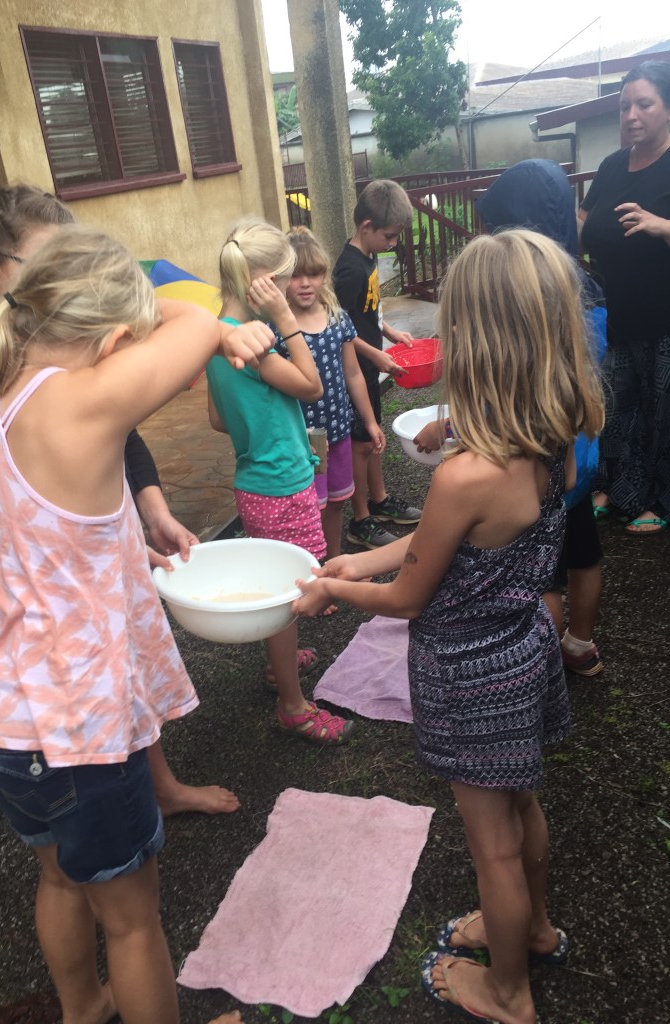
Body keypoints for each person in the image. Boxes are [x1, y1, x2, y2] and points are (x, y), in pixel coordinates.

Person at [0, 224, 271, 1024]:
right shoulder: (80, 404)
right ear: (116, 343)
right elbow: (195, 321)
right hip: (70, 736)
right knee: (132, 922)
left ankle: (83, 1006)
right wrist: (202, 320)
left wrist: (120, 550)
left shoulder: (1, 402)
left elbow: (43, 540)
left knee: (59, 874)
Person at [295, 230, 604, 1024]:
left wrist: (335, 591)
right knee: (520, 807)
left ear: (478, 340)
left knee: (491, 844)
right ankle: (534, 929)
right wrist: (358, 562)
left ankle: (507, 992)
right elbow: (442, 545)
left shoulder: (466, 473)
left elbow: (408, 597)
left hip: (469, 674)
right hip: (523, 648)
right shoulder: (552, 438)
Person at [0, 184, 238, 816]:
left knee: (57, 858)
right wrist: (166, 309)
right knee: (128, 881)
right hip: (69, 712)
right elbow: (196, 320)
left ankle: (159, 789)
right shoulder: (63, 394)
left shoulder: (9, 385)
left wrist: (132, 535)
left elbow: (41, 519)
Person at [206, 217, 354, 744]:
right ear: (265, 283)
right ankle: (292, 706)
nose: (292, 288)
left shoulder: (217, 336)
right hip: (281, 482)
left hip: (254, 477)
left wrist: (258, 417)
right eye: (285, 279)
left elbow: (217, 419)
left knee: (281, 586)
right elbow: (312, 386)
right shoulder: (256, 348)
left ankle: (279, 664)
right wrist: (285, 319)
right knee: (288, 595)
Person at [475, 158, 608, 677]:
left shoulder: (523, 297)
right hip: (581, 450)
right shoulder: (587, 287)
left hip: (537, 459)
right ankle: (580, 645)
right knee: (584, 549)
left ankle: (544, 669)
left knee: (542, 573)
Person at [579, 61, 670, 536]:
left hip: (664, 319)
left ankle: (658, 500)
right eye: (624, 106)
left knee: (662, 412)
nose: (631, 115)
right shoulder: (613, 165)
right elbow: (584, 217)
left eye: (644, 104)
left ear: (668, 108)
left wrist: (662, 226)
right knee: (615, 409)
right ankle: (616, 489)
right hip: (615, 315)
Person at [282, 227, 386, 560]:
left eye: (313, 274)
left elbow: (353, 374)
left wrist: (370, 422)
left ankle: (334, 561)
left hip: (339, 432)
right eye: (295, 275)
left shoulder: (336, 317)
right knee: (312, 507)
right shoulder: (277, 328)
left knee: (338, 501)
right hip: (303, 440)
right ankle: (312, 568)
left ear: (324, 275)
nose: (305, 283)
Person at [333, 179, 422, 549]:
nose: (393, 243)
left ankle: (380, 500)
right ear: (366, 226)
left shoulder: (368, 257)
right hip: (352, 370)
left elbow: (369, 312)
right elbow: (338, 328)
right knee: (360, 444)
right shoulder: (349, 271)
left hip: (368, 367)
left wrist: (390, 332)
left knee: (373, 439)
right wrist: (374, 354)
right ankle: (360, 520)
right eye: (389, 236)